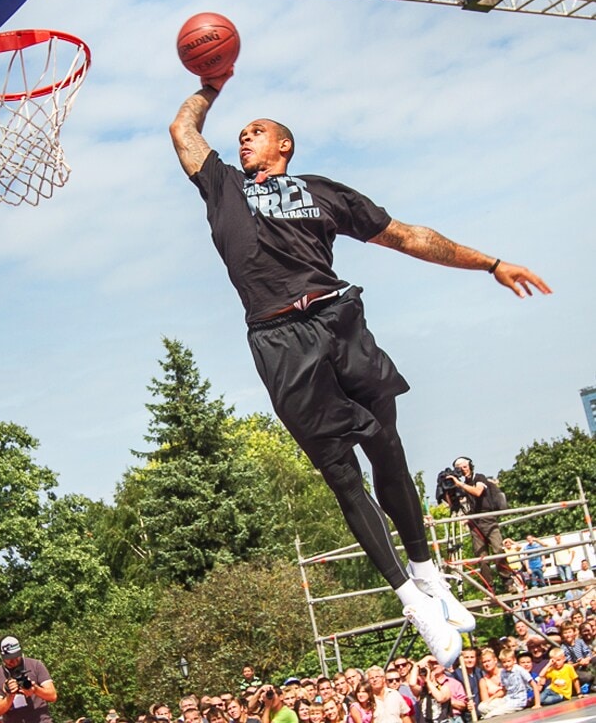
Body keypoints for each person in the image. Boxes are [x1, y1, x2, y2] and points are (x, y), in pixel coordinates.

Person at [170, 74, 550, 666]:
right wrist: (212, 83)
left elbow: (408, 237)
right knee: (343, 474)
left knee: (389, 449)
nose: (244, 138)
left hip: (339, 319)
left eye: (257, 131)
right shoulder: (222, 187)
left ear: (284, 147)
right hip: (278, 339)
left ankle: (430, 577)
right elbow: (182, 131)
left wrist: (490, 263)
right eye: (240, 132)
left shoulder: (320, 191)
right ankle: (412, 600)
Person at [446, 459, 514, 592]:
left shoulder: (479, 477)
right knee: (482, 558)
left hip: (487, 518)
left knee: (498, 550)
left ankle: (508, 582)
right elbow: (453, 506)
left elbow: (478, 492)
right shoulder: (461, 485)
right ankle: (489, 588)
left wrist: (459, 484)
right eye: (459, 468)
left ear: (470, 466)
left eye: (465, 466)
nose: (463, 469)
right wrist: (448, 491)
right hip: (474, 522)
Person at [0, 635, 58, 723]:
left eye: (16, 656)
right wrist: (11, 694)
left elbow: (53, 696)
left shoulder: (36, 665)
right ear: (2, 657)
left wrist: (35, 689)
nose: (14, 661)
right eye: (9, 658)